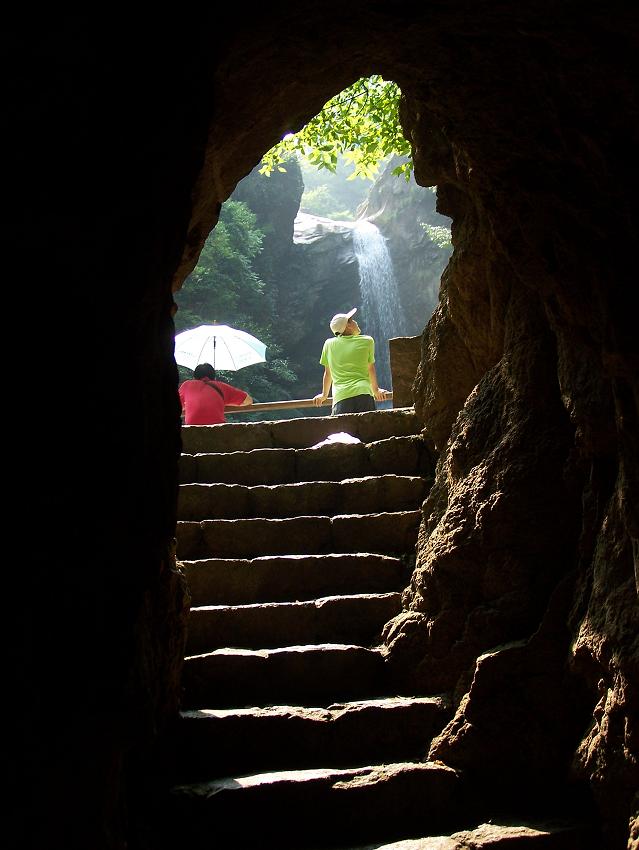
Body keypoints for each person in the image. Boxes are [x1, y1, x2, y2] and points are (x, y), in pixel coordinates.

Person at [313, 307, 388, 414]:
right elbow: (370, 368)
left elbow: (328, 373)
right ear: (347, 326)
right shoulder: (367, 340)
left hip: (341, 397)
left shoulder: (328, 344)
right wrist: (376, 390)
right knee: (367, 430)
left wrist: (324, 395)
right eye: (352, 320)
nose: (355, 322)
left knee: (342, 430)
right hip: (364, 393)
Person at [179, 363, 253, 425]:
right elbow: (249, 401)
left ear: (194, 377)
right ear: (213, 376)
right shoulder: (222, 386)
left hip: (192, 430)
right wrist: (223, 402)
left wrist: (188, 404)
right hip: (217, 430)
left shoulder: (187, 385)